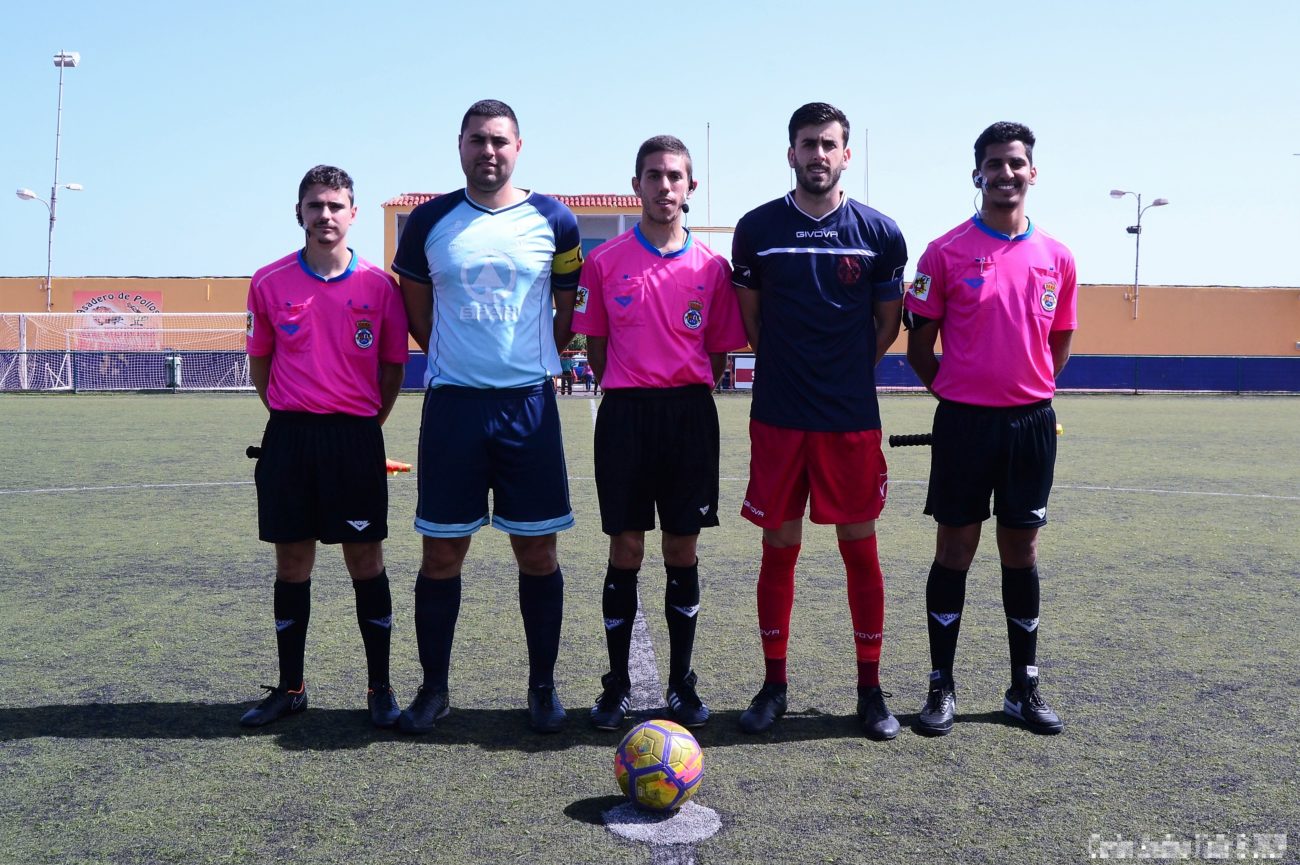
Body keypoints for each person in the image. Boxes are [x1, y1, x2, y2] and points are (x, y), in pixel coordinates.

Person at [392, 99, 583, 734]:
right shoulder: (428, 222)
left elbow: (564, 312)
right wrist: (462, 361)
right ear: (460, 145)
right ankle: (434, 690)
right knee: (441, 554)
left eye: (499, 140)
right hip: (454, 408)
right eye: (477, 140)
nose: (488, 151)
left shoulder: (555, 220)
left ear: (518, 147)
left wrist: (531, 360)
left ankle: (542, 689)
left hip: (528, 406)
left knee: (538, 551)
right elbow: (418, 315)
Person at [731, 103, 908, 740]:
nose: (818, 155)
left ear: (846, 155)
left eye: (829, 144)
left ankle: (870, 690)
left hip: (848, 416)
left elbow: (886, 326)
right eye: (808, 144)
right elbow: (752, 323)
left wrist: (841, 373)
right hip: (779, 416)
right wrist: (794, 370)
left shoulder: (880, 232)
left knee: (860, 548)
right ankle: (773, 684)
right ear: (791, 153)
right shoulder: (757, 229)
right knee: (779, 548)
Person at [903, 121, 1077, 736]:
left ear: (1033, 172)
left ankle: (1023, 688)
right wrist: (961, 393)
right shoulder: (943, 252)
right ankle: (940, 686)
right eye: (995, 164)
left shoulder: (1058, 257)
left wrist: (1024, 389)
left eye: (1016, 163)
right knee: (955, 549)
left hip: (1031, 424)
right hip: (964, 424)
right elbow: (919, 349)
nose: (1006, 173)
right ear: (977, 173)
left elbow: (1058, 346)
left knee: (1021, 551)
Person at [573, 135, 748, 730]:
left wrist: (679, 388)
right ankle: (617, 685)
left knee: (682, 549)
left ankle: (680, 683)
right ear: (637, 185)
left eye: (675, 176)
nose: (664, 186)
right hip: (626, 415)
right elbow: (595, 349)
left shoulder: (712, 268)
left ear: (690, 186)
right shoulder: (604, 262)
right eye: (654, 175)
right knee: (625, 548)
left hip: (689, 417)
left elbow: (718, 354)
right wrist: (634, 385)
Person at [241, 165, 409, 729]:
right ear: (300, 213)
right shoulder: (268, 282)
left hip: (355, 437)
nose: (325, 215)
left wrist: (363, 426)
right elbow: (261, 365)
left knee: (365, 560)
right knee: (292, 563)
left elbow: (391, 369)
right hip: (290, 437)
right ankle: (291, 688)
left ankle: (380, 688)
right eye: (315, 205)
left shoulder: (380, 287)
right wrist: (292, 415)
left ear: (353, 214)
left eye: (336, 206)